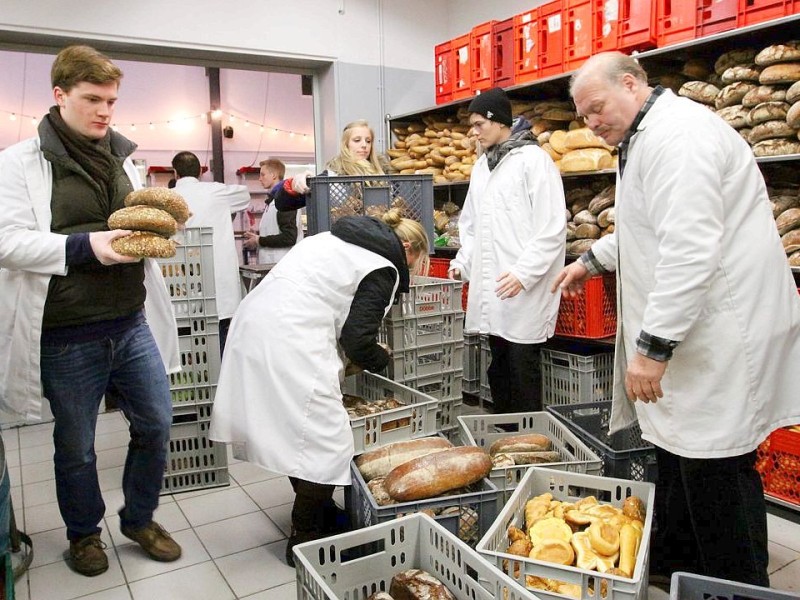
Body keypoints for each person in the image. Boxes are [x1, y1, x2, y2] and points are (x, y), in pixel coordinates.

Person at [553, 51, 800, 588]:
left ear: (631, 84)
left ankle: (735, 585)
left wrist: (652, 349)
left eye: (596, 107)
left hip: (721, 334)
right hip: (698, 337)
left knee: (717, 466)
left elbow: (689, 250)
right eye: (583, 116)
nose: (591, 123)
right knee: (678, 458)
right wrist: (592, 258)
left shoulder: (679, 137)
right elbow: (650, 225)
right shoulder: (647, 136)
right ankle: (676, 568)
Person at [0, 45, 183, 577]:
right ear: (60, 96)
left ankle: (140, 518)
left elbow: (134, 225)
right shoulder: (17, 163)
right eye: (92, 99)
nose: (105, 111)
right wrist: (86, 248)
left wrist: (154, 230)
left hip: (130, 323)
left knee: (155, 422)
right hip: (66, 334)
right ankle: (84, 534)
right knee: (76, 446)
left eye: (111, 100)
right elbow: (7, 241)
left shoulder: (122, 157)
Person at [208, 209, 429, 567]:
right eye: (417, 261)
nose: (413, 269)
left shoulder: (332, 239)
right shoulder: (382, 267)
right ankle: (305, 537)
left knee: (299, 434)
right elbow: (357, 339)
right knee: (327, 441)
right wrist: (380, 359)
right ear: (405, 248)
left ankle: (324, 512)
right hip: (290, 338)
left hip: (254, 326)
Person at [448, 87, 567, 414]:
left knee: (521, 366)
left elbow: (552, 227)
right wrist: (463, 263)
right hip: (494, 287)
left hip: (524, 287)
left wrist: (523, 273)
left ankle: (529, 443)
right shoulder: (482, 166)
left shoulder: (534, 161)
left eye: (477, 124)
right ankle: (504, 437)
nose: (473, 132)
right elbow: (470, 225)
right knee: (498, 365)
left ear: (497, 120)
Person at [171, 151, 250, 351]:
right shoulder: (217, 191)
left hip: (182, 283)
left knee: (190, 347)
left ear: (175, 173)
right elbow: (245, 196)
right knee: (220, 346)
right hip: (219, 286)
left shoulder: (168, 198)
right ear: (200, 171)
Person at [271, 119, 386, 211]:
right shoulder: (331, 177)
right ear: (346, 144)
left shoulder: (384, 174)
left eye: (368, 141)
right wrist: (293, 185)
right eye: (357, 140)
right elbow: (282, 205)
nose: (364, 145)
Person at [242, 158, 303, 265]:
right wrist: (257, 238)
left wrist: (259, 240)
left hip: (283, 264)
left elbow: (289, 237)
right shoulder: (272, 201)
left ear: (274, 175)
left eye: (263, 175)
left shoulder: (285, 200)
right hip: (273, 265)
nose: (259, 179)